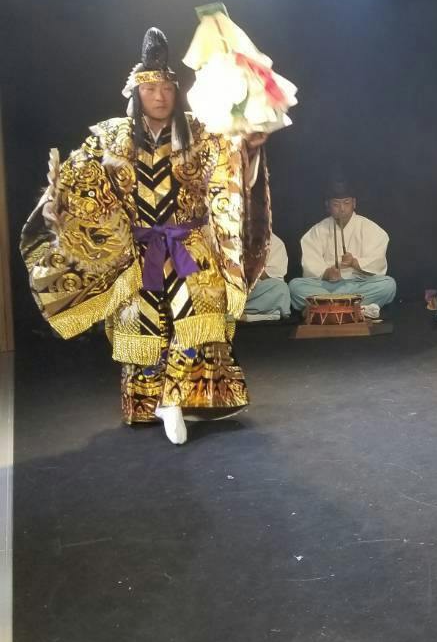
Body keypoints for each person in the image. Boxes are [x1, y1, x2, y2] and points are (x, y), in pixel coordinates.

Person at [21, 27, 271, 445]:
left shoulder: (202, 132)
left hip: (190, 246)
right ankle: (149, 402)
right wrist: (57, 202)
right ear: (137, 93)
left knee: (202, 311)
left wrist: (251, 145)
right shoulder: (108, 137)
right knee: (142, 320)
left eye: (167, 88)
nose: (159, 96)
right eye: (151, 89)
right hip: (137, 250)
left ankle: (176, 398)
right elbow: (76, 183)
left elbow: (232, 169)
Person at [289, 180, 396, 318]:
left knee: (388, 285)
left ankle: (324, 307)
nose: (342, 209)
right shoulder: (317, 231)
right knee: (295, 286)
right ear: (327, 206)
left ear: (354, 203)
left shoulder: (370, 228)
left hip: (359, 284)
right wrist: (326, 273)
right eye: (336, 204)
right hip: (327, 286)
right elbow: (311, 263)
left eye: (346, 203)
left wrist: (355, 263)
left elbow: (377, 262)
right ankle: (356, 308)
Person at [242, 233, 292, 321]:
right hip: (229, 287)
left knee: (281, 289)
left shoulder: (275, 242)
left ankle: (239, 316)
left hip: (255, 291)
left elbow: (275, 278)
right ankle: (265, 316)